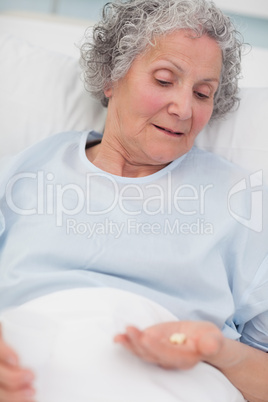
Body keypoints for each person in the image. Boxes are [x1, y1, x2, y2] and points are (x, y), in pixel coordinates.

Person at [0, 0, 267, 401]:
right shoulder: (26, 169)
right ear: (112, 76)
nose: (183, 108)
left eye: (202, 93)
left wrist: (219, 351)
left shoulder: (240, 201)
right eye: (164, 80)